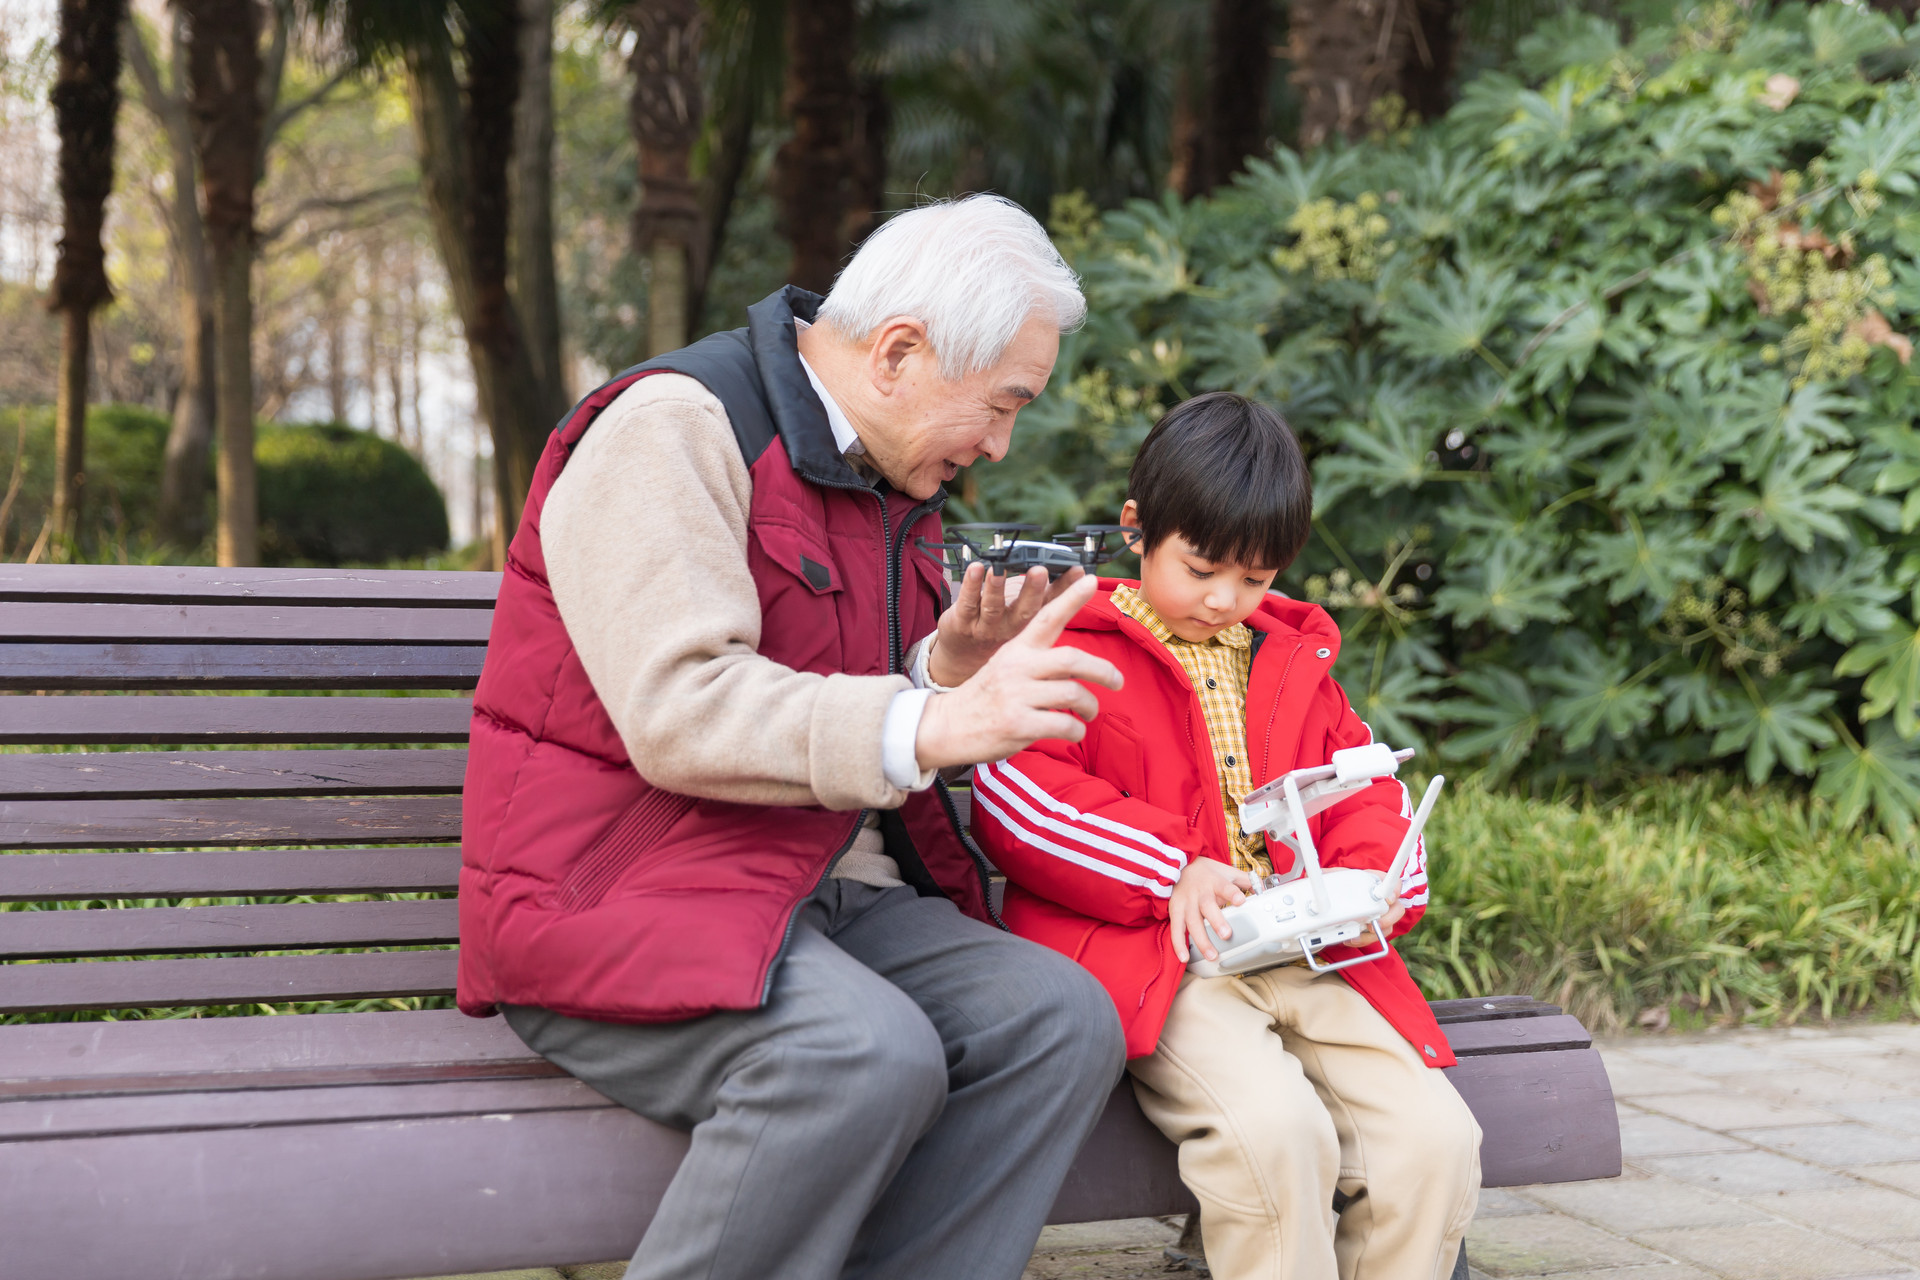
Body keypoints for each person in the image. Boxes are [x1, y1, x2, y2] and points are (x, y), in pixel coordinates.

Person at [455, 195, 1128, 1280]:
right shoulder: (673, 427)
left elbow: (840, 695)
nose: (1001, 445)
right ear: (900, 350)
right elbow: (685, 708)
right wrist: (934, 717)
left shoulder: (879, 470)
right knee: (859, 1054)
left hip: (809, 883)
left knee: (1056, 1019)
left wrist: (941, 672)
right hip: (614, 889)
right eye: (1002, 405)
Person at [972, 391, 1482, 1280]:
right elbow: (1020, 797)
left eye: (1255, 578)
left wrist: (1374, 882)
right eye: (1202, 567)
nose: (1223, 599)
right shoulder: (1073, 646)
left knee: (1435, 1140)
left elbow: (1365, 781)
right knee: (1274, 1138)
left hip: (1306, 951)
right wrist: (1173, 870)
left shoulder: (1288, 658)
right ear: (1137, 527)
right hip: (1164, 962)